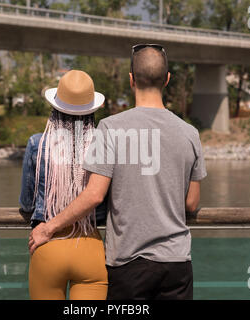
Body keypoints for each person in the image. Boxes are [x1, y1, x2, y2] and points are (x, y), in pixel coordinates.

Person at [29, 44, 207, 300]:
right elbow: (191, 203)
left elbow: (94, 196)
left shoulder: (111, 128)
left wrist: (48, 228)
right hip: (177, 262)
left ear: (132, 80)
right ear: (167, 79)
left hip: (128, 263)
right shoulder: (190, 133)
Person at [20, 70, 108, 300]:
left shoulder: (37, 144)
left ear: (55, 109)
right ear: (92, 112)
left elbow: (26, 205)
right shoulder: (103, 146)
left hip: (48, 243)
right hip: (90, 245)